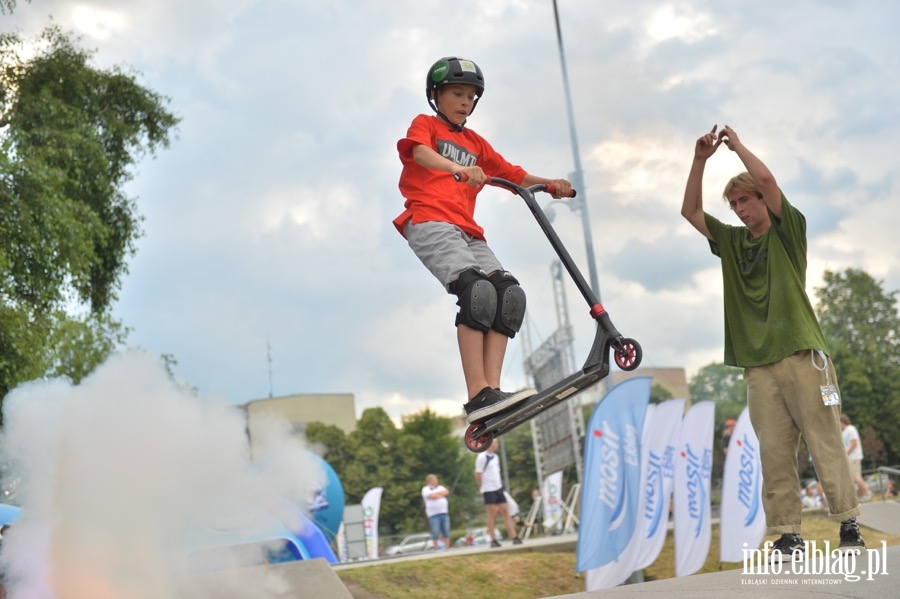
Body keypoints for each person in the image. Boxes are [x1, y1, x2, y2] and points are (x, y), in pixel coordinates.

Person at [680, 124, 865, 560]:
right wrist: (700, 159)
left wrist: (735, 146)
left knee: (824, 442)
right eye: (735, 203)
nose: (741, 208)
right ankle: (787, 533)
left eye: (747, 200)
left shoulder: (788, 230)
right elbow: (690, 212)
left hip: (802, 354)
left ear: (764, 201)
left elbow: (766, 179)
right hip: (758, 365)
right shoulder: (730, 241)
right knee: (775, 451)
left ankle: (849, 524)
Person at [393, 57, 573, 424]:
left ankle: (493, 392)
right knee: (476, 291)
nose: (464, 102)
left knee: (508, 295)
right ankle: (477, 394)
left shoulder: (476, 142)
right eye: (457, 93)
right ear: (435, 95)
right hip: (429, 220)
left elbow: (511, 174)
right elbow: (420, 153)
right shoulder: (425, 125)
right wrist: (457, 168)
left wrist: (550, 185)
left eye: (471, 96)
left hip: (467, 229)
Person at [474, 439, 522, 547]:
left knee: (505, 511)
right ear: (490, 443)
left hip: (498, 488)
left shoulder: (496, 457)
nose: (498, 445)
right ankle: (493, 539)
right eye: (496, 443)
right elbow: (478, 474)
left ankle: (513, 536)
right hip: (488, 489)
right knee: (492, 513)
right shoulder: (482, 457)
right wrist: (481, 487)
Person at [840, 414, 872, 501]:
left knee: (855, 476)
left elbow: (854, 443)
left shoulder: (851, 429)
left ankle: (867, 492)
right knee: (855, 477)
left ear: (842, 421)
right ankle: (862, 494)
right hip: (850, 457)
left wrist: (846, 453)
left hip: (853, 456)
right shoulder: (844, 432)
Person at [421, 474, 451, 549]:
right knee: (435, 532)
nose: (436, 481)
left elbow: (446, 492)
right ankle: (436, 547)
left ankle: (446, 547)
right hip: (433, 514)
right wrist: (440, 494)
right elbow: (432, 496)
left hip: (444, 512)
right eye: (434, 480)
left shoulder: (440, 487)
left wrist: (437, 494)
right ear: (429, 481)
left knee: (446, 531)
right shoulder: (425, 489)